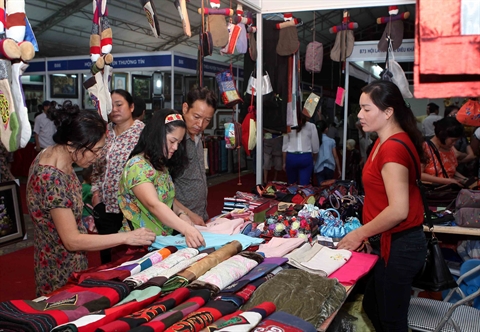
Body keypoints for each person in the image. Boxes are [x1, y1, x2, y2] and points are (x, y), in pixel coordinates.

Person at [26, 106, 155, 297]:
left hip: (63, 257)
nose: (97, 157)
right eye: (94, 151)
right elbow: (72, 241)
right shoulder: (52, 177)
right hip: (58, 265)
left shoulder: (54, 156)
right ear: (71, 144)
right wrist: (128, 237)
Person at [337, 81, 427, 332]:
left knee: (390, 320)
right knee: (374, 308)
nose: (359, 115)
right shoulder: (384, 141)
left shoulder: (392, 148)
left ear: (388, 112)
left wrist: (359, 232)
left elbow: (399, 210)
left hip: (400, 245)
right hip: (390, 242)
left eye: (366, 109)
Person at [118, 109, 205, 248]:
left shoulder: (160, 165)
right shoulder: (137, 166)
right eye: (172, 141)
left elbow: (167, 199)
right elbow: (154, 205)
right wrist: (186, 229)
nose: (176, 147)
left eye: (179, 143)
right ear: (157, 136)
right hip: (139, 245)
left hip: (160, 241)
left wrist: (182, 213)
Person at [91, 89, 145, 264]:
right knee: (107, 257)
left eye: (119, 104)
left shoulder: (143, 134)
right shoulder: (104, 133)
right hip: (105, 205)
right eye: (110, 105)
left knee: (131, 258)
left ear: (131, 107)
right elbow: (96, 165)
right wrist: (95, 195)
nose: (114, 109)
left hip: (133, 207)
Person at [173, 87, 217, 224]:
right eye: (196, 117)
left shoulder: (197, 136)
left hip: (199, 216)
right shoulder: (174, 142)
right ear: (185, 108)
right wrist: (187, 215)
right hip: (180, 220)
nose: (200, 125)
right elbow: (162, 190)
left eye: (207, 120)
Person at [421, 117, 470, 186]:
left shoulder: (450, 148)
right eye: (453, 140)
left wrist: (465, 180)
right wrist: (445, 181)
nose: (454, 143)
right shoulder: (425, 148)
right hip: (432, 192)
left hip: (447, 192)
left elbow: (449, 171)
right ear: (442, 136)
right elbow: (419, 174)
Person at [282, 114, 319, 185]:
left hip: (291, 157)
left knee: (291, 185)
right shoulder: (312, 126)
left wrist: (284, 162)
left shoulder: (288, 126)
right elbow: (315, 148)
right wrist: (314, 159)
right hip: (306, 157)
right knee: (304, 187)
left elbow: (285, 146)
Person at [314, 120, 341, 184]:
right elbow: (335, 156)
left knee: (320, 188)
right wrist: (339, 169)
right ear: (326, 129)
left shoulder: (315, 141)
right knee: (329, 188)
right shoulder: (331, 141)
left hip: (318, 167)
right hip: (330, 167)